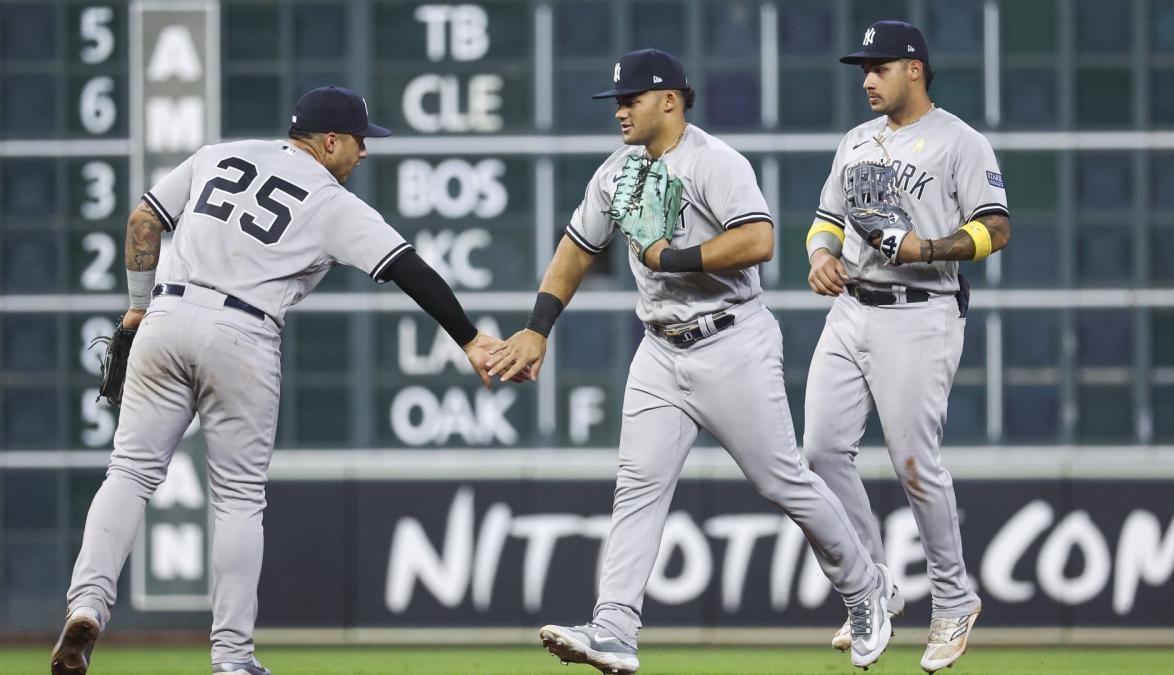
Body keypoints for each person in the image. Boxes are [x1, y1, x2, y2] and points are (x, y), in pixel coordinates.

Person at [50, 85, 520, 675]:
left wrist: (138, 308)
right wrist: (471, 338)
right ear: (328, 142)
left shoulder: (217, 154)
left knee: (130, 472)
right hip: (242, 333)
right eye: (358, 142)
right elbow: (409, 269)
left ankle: (88, 603)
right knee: (240, 500)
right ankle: (231, 658)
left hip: (165, 316)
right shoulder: (330, 200)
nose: (364, 154)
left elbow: (144, 220)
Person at [486, 48, 894, 674]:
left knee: (781, 480)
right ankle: (615, 629)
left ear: (670, 100)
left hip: (731, 339)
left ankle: (866, 588)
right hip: (658, 348)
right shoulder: (616, 173)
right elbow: (576, 248)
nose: (621, 111)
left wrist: (669, 259)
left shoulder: (714, 161)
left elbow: (758, 240)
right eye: (618, 102)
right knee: (637, 489)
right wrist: (539, 328)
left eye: (633, 100)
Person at [803, 21, 1011, 674]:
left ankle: (953, 598)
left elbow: (997, 225)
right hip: (850, 309)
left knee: (914, 463)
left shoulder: (958, 141)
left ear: (914, 69)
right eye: (864, 68)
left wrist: (932, 246)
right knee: (817, 451)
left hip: (919, 312)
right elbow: (826, 220)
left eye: (880, 66)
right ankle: (872, 583)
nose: (867, 78)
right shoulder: (855, 141)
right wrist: (818, 257)